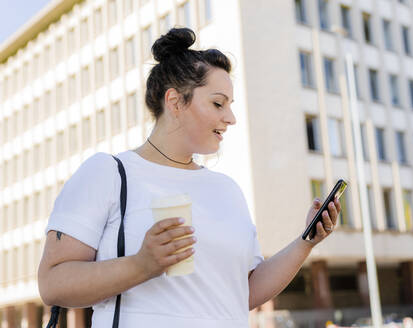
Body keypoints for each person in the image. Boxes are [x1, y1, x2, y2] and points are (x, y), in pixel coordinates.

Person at [37, 27, 341, 328]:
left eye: (230, 106)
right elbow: (53, 283)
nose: (231, 118)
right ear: (174, 102)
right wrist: (142, 264)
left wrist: (306, 242)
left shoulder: (227, 190)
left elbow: (243, 292)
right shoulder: (108, 173)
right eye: (218, 103)